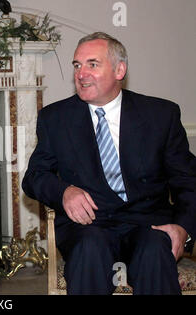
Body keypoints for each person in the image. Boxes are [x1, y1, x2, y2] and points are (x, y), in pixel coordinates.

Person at [22, 32, 195, 295]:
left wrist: (184, 228)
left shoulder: (160, 115)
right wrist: (63, 191)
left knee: (155, 251)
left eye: (92, 64)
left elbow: (188, 180)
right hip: (89, 226)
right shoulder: (56, 118)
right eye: (77, 65)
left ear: (119, 70)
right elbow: (34, 176)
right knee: (89, 249)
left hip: (147, 223)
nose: (81, 74)